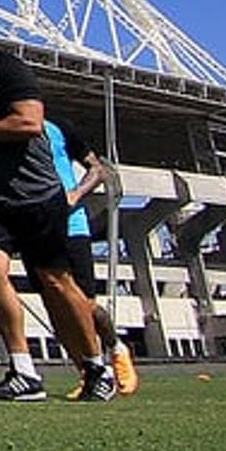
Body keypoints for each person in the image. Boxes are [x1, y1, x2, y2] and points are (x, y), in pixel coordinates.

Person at [0, 8, 115, 403]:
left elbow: (28, 123)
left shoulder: (8, 67)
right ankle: (23, 370)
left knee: (55, 283)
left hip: (35, 196)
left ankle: (98, 365)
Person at [43, 116, 139, 397]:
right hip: (37, 229)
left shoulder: (59, 128)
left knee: (84, 303)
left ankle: (117, 348)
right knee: (57, 308)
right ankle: (90, 375)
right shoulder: (6, 129)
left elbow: (98, 169)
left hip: (72, 227)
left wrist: (74, 194)